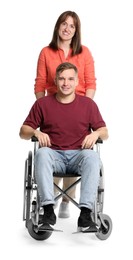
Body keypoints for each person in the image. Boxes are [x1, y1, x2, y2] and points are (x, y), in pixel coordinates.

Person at [20, 62, 108, 232]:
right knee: (42, 153)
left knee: (92, 156)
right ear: (56, 80)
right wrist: (36, 133)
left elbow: (105, 132)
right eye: (61, 79)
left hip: (79, 156)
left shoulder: (88, 105)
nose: (66, 83)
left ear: (76, 82)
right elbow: (23, 131)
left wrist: (95, 134)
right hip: (54, 156)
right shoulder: (43, 104)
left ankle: (85, 214)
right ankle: (47, 211)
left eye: (70, 79)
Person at [34, 11, 97, 218]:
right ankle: (50, 198)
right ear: (58, 26)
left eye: (72, 26)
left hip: (78, 107)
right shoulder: (46, 52)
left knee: (77, 149)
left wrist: (85, 108)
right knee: (51, 150)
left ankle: (66, 199)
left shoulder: (84, 52)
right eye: (64, 24)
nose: (67, 28)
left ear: (76, 30)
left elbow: (90, 83)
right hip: (53, 107)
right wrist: (43, 109)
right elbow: (41, 83)